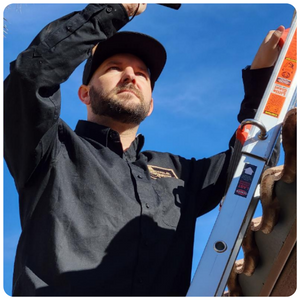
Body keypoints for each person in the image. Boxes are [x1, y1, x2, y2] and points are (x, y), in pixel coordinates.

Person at [4, 3, 283, 296]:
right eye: (114, 68)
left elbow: (251, 162)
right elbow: (28, 79)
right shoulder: (50, 148)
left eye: (142, 74)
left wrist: (264, 77)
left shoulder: (183, 174)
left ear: (150, 106)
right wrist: (114, 9)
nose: (130, 76)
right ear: (84, 93)